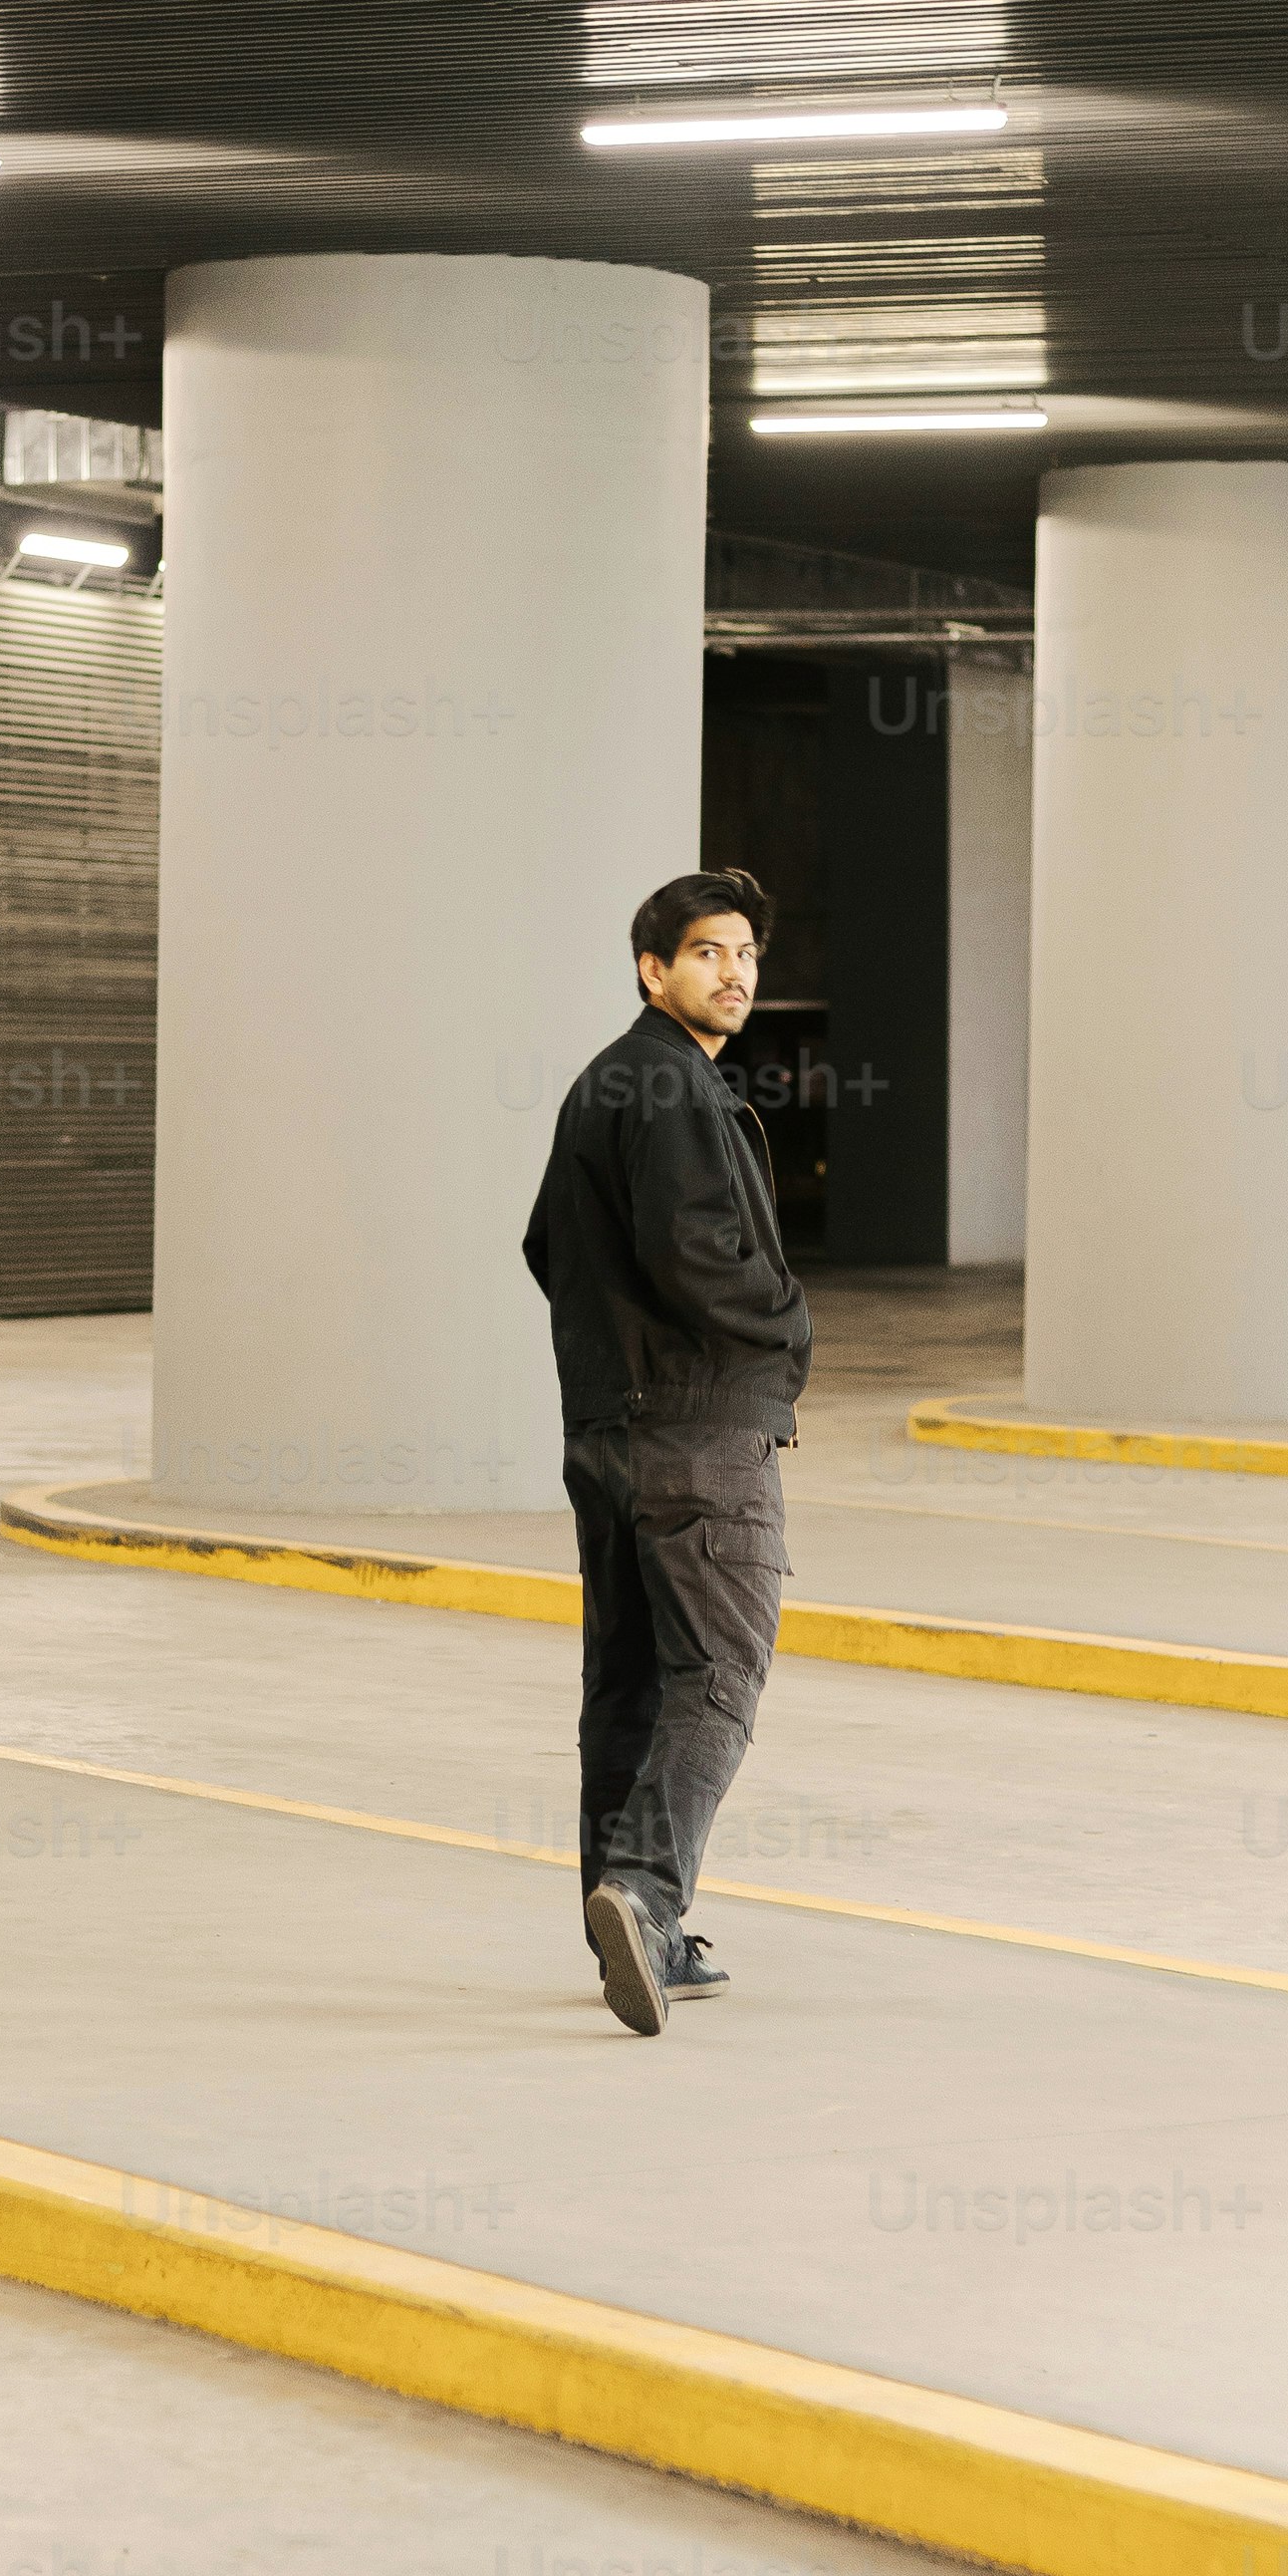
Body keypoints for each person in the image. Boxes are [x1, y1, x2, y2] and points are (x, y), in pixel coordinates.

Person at [520, 868, 813, 2035]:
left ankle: (632, 1920)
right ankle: (644, 1895)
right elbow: (695, 1252)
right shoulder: (673, 1084)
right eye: (707, 952)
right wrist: (787, 1322)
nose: (735, 972)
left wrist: (615, 1357)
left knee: (629, 1684)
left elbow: (545, 1243)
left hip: (608, 1430)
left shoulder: (604, 1083)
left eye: (746, 953)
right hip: (698, 1429)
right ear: (653, 969)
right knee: (721, 1673)